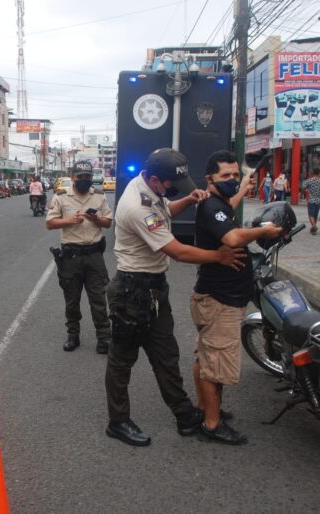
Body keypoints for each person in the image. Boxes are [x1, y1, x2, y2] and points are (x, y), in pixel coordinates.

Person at [104, 148, 246, 447]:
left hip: (154, 288)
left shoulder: (149, 187)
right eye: (172, 186)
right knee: (122, 360)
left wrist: (187, 199)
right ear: (156, 180)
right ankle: (118, 421)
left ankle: (184, 415)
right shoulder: (136, 206)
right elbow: (178, 252)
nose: (174, 190)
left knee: (166, 356)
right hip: (132, 291)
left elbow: (165, 210)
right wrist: (218, 256)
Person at [191, 150, 284, 445]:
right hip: (220, 300)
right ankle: (212, 423)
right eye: (225, 176)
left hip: (220, 297)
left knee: (206, 356)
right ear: (210, 179)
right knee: (214, 362)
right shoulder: (209, 207)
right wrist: (263, 231)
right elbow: (231, 238)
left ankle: (204, 407)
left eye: (234, 175)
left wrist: (244, 184)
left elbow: (229, 204)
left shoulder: (220, 203)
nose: (231, 180)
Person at [46, 161, 113, 354]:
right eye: (80, 176)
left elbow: (108, 222)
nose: (84, 180)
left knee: (99, 298)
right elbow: (50, 223)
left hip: (94, 256)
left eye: (87, 177)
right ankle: (73, 335)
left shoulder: (99, 196)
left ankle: (104, 337)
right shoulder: (61, 197)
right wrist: (70, 220)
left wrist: (96, 219)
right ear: (73, 177)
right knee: (72, 299)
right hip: (71, 257)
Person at [302, 168, 320, 235]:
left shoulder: (309, 181)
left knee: (311, 215)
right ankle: (314, 228)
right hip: (319, 200)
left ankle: (313, 226)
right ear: (319, 173)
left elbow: (303, 187)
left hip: (311, 200)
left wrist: (306, 191)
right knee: (316, 215)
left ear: (312, 172)